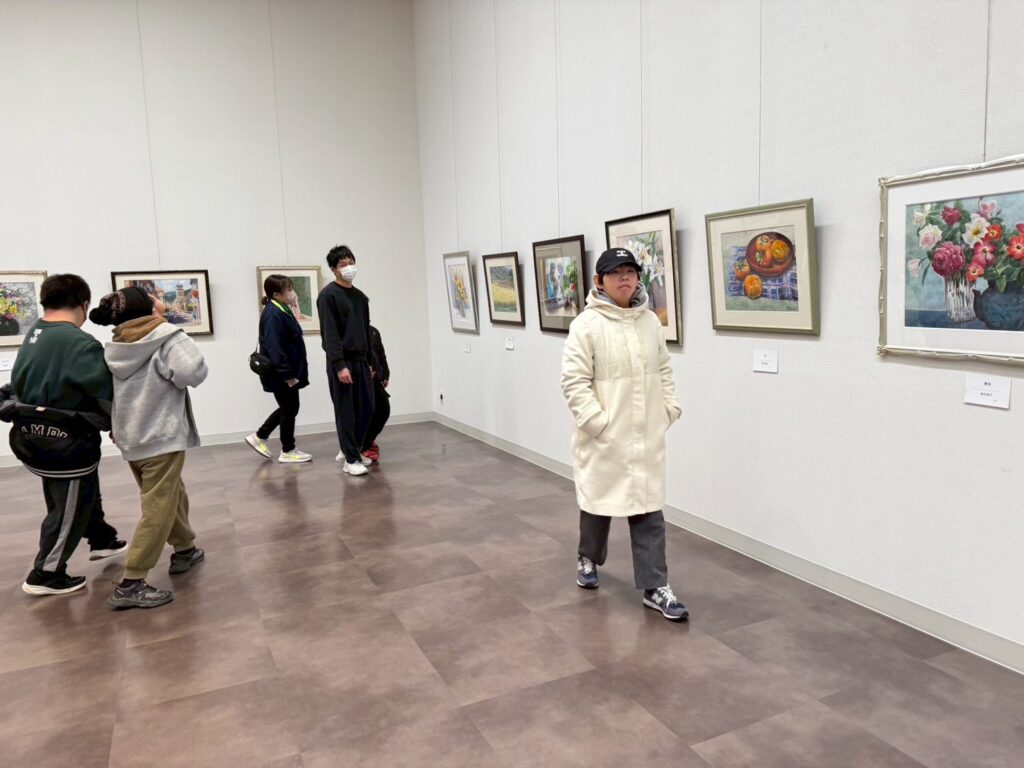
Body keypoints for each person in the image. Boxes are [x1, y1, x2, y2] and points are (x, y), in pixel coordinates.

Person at [560, 248, 689, 621]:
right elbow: (573, 381)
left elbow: (664, 370)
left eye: (631, 272)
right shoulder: (586, 325)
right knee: (598, 506)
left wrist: (669, 409)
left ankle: (655, 586)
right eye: (616, 273)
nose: (625, 278)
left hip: (646, 436)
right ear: (599, 281)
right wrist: (597, 423)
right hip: (605, 437)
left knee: (648, 510)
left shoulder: (649, 322)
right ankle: (588, 557)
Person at [4, 274, 126, 596]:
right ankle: (45, 573)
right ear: (84, 303)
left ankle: (101, 537)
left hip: (33, 435)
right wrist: (119, 424)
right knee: (68, 506)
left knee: (77, 492)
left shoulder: (36, 332)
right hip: (65, 441)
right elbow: (104, 393)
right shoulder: (79, 342)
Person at [90, 286, 208, 609]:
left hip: (132, 436)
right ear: (148, 308)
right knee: (158, 506)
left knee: (171, 493)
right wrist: (166, 321)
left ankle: (185, 549)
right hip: (160, 436)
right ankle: (132, 581)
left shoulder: (117, 345)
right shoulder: (164, 337)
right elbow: (194, 372)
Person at [316, 244, 375, 477]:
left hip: (361, 361)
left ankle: (350, 449)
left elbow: (366, 331)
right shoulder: (328, 296)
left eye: (351, 263)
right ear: (333, 269)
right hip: (342, 362)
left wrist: (370, 362)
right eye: (343, 264)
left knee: (368, 408)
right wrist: (339, 365)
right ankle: (351, 459)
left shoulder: (360, 297)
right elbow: (330, 335)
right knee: (346, 411)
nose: (349, 267)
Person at [246, 275, 311, 463]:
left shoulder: (281, 309)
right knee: (290, 408)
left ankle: (261, 437)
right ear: (276, 294)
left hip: (284, 372)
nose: (293, 292)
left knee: (289, 408)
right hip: (280, 373)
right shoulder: (273, 314)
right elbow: (275, 348)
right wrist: (288, 375)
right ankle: (287, 449)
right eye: (288, 289)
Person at [360, 324, 390, 464]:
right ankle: (362, 445)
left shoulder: (373, 331)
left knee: (383, 410)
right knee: (365, 413)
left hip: (375, 379)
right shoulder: (351, 331)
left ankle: (366, 442)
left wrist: (385, 374)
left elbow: (381, 354)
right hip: (360, 379)